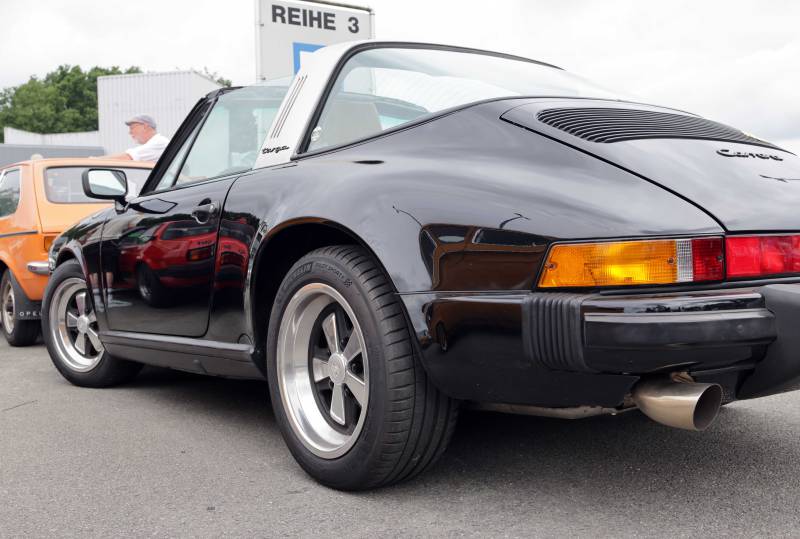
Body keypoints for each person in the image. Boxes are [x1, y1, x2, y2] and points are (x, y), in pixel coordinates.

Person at [102, 115, 169, 162]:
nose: (130, 132)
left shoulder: (159, 142)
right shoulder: (154, 143)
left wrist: (96, 161)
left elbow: (128, 157)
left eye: (132, 128)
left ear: (145, 127)